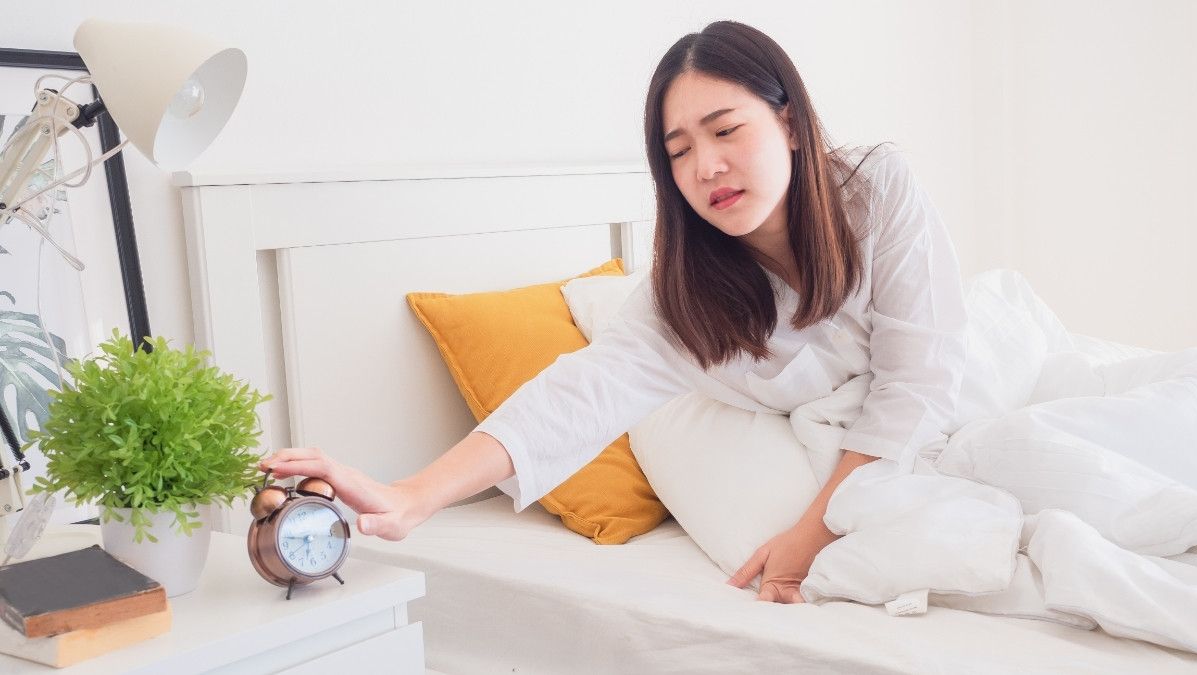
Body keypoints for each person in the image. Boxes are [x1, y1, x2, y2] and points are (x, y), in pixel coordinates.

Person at [259, 20, 968, 606]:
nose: (707, 167)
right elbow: (572, 399)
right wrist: (411, 495)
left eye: (725, 130)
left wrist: (812, 532)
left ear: (788, 122)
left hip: (952, 378)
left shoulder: (875, 189)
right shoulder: (681, 296)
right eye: (679, 150)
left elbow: (918, 379)